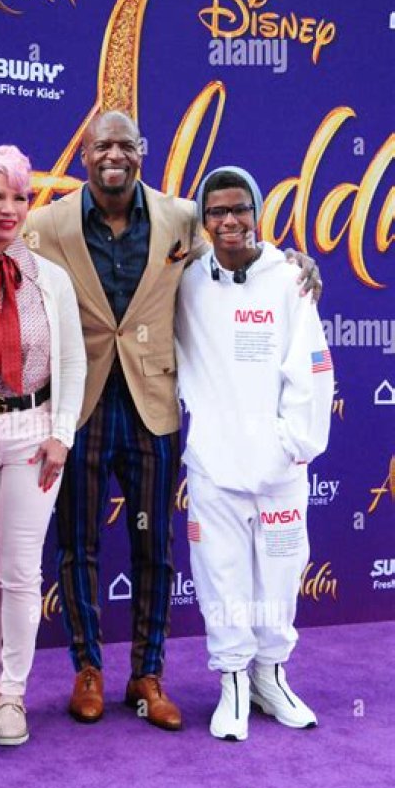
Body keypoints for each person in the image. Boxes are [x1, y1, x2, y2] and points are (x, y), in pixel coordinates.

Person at [24, 110, 322, 730]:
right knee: (77, 544)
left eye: (125, 145)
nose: (114, 155)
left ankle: (148, 673)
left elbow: (242, 250)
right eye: (102, 146)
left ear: (142, 150)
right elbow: (3, 271)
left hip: (152, 405)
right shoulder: (47, 224)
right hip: (80, 405)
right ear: (85, 154)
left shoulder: (183, 217)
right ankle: (88, 669)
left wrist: (294, 261)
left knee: (154, 546)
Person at [175, 166, 333, 741]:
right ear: (204, 220)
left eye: (239, 208)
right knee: (221, 579)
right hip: (213, 468)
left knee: (281, 577)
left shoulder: (289, 278)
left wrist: (292, 446)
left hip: (280, 470)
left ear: (257, 212)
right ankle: (234, 681)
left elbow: (312, 370)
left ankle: (271, 676)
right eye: (216, 211)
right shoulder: (187, 282)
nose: (229, 220)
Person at [0, 145, 86, 745]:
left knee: (20, 569)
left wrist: (62, 433)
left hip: (34, 433)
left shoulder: (51, 279)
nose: (9, 208)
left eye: (20, 197)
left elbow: (73, 362)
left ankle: (14, 694)